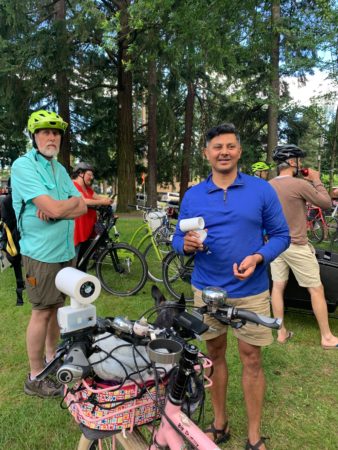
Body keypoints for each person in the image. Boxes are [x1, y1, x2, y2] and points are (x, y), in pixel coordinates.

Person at [172, 123, 290, 450]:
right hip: (207, 289)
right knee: (214, 353)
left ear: (239, 151)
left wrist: (258, 257)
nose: (224, 152)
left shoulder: (261, 190)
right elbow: (177, 237)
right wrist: (186, 246)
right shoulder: (194, 195)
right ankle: (219, 423)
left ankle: (254, 437)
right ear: (206, 153)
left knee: (252, 358)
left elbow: (281, 236)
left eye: (230, 146)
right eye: (217, 147)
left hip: (251, 290)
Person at [11, 109, 87, 398]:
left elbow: (79, 205)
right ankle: (35, 375)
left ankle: (52, 358)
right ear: (34, 136)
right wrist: (59, 208)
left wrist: (56, 210)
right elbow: (62, 207)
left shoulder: (60, 169)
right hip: (40, 254)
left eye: (56, 132)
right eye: (45, 131)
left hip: (64, 251)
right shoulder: (22, 166)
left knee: (56, 309)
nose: (52, 136)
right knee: (41, 312)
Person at [269, 144, 338, 349]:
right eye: (298, 160)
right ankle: (326, 337)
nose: (301, 164)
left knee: (278, 288)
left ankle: (281, 332)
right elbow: (326, 203)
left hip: (275, 245)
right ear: (291, 162)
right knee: (316, 289)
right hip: (296, 245)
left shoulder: (269, 185)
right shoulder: (299, 184)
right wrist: (316, 179)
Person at [72, 162, 113, 270]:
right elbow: (83, 201)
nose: (92, 177)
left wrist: (106, 200)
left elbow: (97, 197)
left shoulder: (87, 188)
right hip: (78, 228)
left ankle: (82, 278)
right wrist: (103, 202)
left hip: (88, 227)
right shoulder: (73, 185)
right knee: (75, 260)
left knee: (84, 258)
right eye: (89, 174)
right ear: (81, 173)